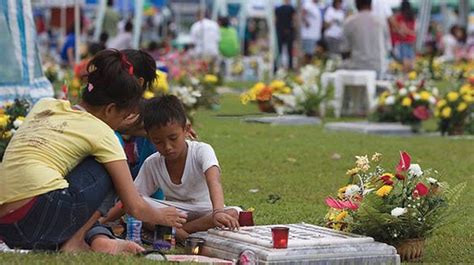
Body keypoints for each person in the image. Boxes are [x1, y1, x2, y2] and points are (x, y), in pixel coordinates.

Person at [0, 49, 187, 254]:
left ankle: (84, 237)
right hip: (39, 220)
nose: (121, 123)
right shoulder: (103, 134)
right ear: (110, 109)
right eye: (123, 116)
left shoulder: (45, 105)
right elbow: (134, 206)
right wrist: (162, 216)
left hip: (7, 226)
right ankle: (75, 242)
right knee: (110, 166)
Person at [129, 95, 239, 240]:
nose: (167, 147)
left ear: (186, 130)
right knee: (135, 206)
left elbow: (214, 181)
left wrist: (218, 211)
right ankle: (182, 234)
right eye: (158, 141)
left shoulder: (202, 150)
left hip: (205, 211)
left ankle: (177, 233)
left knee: (234, 212)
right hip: (173, 214)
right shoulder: (152, 162)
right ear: (149, 138)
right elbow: (135, 198)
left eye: (173, 138)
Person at [340, 0, 385, 76]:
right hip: (378, 67)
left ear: (356, 5)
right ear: (371, 5)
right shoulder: (380, 21)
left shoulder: (349, 22)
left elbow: (344, 51)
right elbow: (387, 48)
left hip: (356, 68)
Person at [392, 0, 416, 72]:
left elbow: (399, 30)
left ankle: (406, 77)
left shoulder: (400, 17)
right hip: (411, 40)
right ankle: (411, 76)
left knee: (405, 59)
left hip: (403, 40)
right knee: (411, 58)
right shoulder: (412, 16)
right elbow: (414, 30)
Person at [275, 0, 296, 70]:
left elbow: (275, 20)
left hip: (280, 31)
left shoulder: (278, 9)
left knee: (279, 51)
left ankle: (276, 67)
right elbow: (294, 19)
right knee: (289, 51)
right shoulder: (291, 9)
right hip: (288, 31)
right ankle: (290, 67)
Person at [301, 0, 323, 65]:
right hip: (308, 35)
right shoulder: (308, 4)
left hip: (315, 35)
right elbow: (302, 13)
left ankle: (308, 69)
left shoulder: (316, 5)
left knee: (312, 55)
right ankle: (304, 69)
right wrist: (306, 22)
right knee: (307, 54)